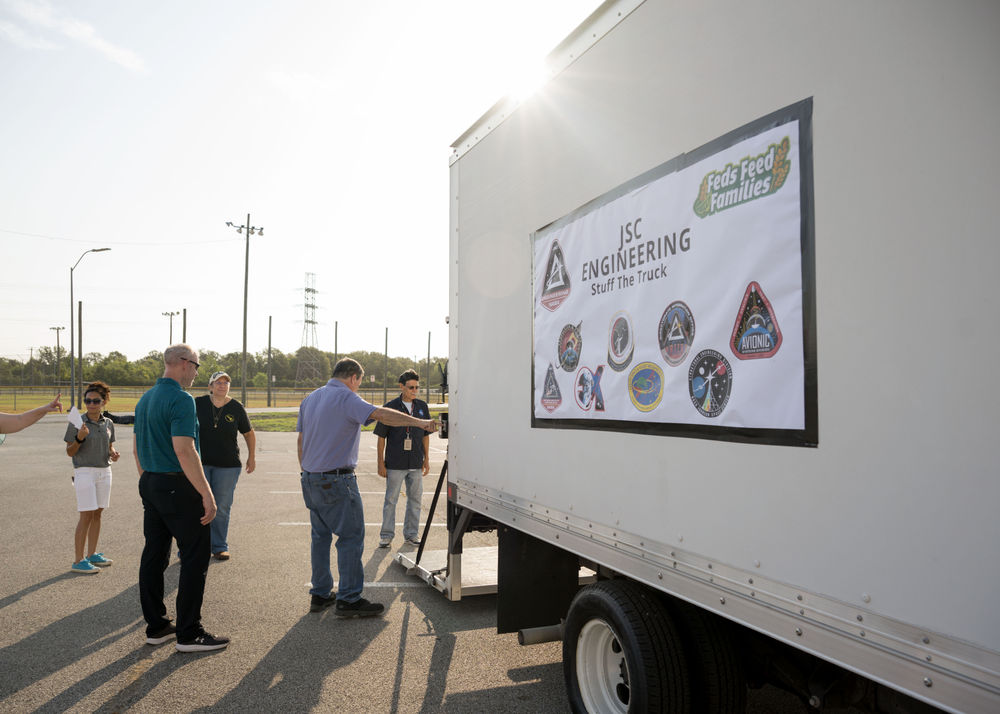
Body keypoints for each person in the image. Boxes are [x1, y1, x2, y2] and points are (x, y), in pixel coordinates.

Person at [297, 358, 437, 617]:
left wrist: (308, 473)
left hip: (310, 478)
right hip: (337, 479)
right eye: (359, 382)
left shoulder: (311, 398)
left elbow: (301, 441)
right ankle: (349, 599)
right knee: (350, 537)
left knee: (320, 537)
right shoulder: (346, 397)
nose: (358, 387)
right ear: (353, 378)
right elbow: (381, 414)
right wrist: (419, 423)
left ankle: (320, 593)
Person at [133, 344, 229, 653]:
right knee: (195, 556)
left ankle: (157, 626)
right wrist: (206, 493)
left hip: (150, 481)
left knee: (155, 554)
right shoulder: (180, 399)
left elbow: (136, 448)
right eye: (198, 366)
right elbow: (184, 449)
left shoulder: (145, 398)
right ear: (185, 364)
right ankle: (190, 632)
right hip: (176, 484)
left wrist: (150, 481)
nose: (198, 373)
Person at [195, 371, 256, 560]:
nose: (222, 386)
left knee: (221, 507)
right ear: (210, 386)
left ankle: (219, 546)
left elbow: (248, 433)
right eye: (218, 382)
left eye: (226, 383)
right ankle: (191, 547)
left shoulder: (236, 407)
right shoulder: (197, 404)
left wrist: (251, 457)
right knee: (196, 505)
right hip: (199, 464)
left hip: (228, 465)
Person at [64, 381, 120, 573]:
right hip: (84, 472)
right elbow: (70, 452)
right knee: (86, 515)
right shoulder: (77, 422)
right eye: (87, 401)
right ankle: (79, 560)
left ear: (104, 402)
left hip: (105, 472)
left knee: (97, 514)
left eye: (95, 401)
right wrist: (80, 437)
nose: (91, 404)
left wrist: (113, 452)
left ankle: (92, 555)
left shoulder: (108, 423)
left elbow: (110, 446)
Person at [375, 370, 431, 549]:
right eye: (411, 387)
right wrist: (380, 463)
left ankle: (412, 535)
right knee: (391, 500)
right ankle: (386, 536)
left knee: (415, 500)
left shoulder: (422, 406)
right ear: (401, 386)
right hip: (395, 463)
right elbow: (381, 437)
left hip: (415, 462)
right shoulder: (389, 407)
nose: (415, 390)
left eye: (417, 387)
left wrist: (426, 459)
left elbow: (425, 435)